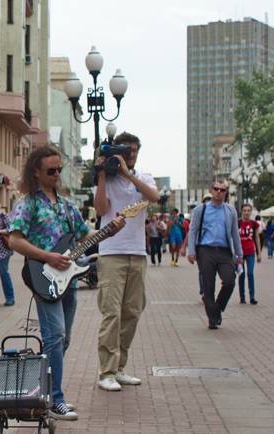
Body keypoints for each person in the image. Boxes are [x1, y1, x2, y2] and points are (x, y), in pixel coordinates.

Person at [8, 145, 125, 420]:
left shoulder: (66, 205)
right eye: (51, 170)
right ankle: (53, 400)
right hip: (43, 278)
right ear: (36, 172)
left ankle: (40, 389)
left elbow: (85, 236)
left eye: (59, 169)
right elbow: (14, 240)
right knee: (55, 336)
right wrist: (47, 256)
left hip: (68, 280)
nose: (57, 174)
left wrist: (110, 229)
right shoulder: (28, 203)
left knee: (62, 340)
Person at [92, 132, 159, 392]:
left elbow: (153, 197)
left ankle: (119, 368)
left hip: (138, 253)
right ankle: (105, 371)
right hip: (111, 252)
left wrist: (128, 173)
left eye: (134, 150)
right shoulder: (106, 179)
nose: (131, 154)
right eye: (126, 150)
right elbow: (100, 210)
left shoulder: (143, 178)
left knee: (132, 312)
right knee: (111, 314)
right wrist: (100, 174)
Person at [186, 181, 243, 330]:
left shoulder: (230, 211)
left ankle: (217, 307)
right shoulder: (201, 209)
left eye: (222, 190)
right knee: (208, 286)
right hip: (206, 251)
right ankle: (212, 319)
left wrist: (239, 255)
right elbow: (192, 231)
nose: (219, 192)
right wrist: (191, 252)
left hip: (224, 251)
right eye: (216, 189)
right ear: (211, 190)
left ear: (226, 192)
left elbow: (235, 234)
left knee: (230, 281)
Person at [238, 204, 261, 305]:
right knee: (241, 274)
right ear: (241, 211)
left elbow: (256, 238)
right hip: (240, 253)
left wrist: (259, 253)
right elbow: (234, 238)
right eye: (244, 210)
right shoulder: (237, 223)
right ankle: (242, 297)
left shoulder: (254, 224)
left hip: (251, 252)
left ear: (251, 212)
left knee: (250, 273)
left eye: (248, 210)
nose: (246, 212)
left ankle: (252, 297)